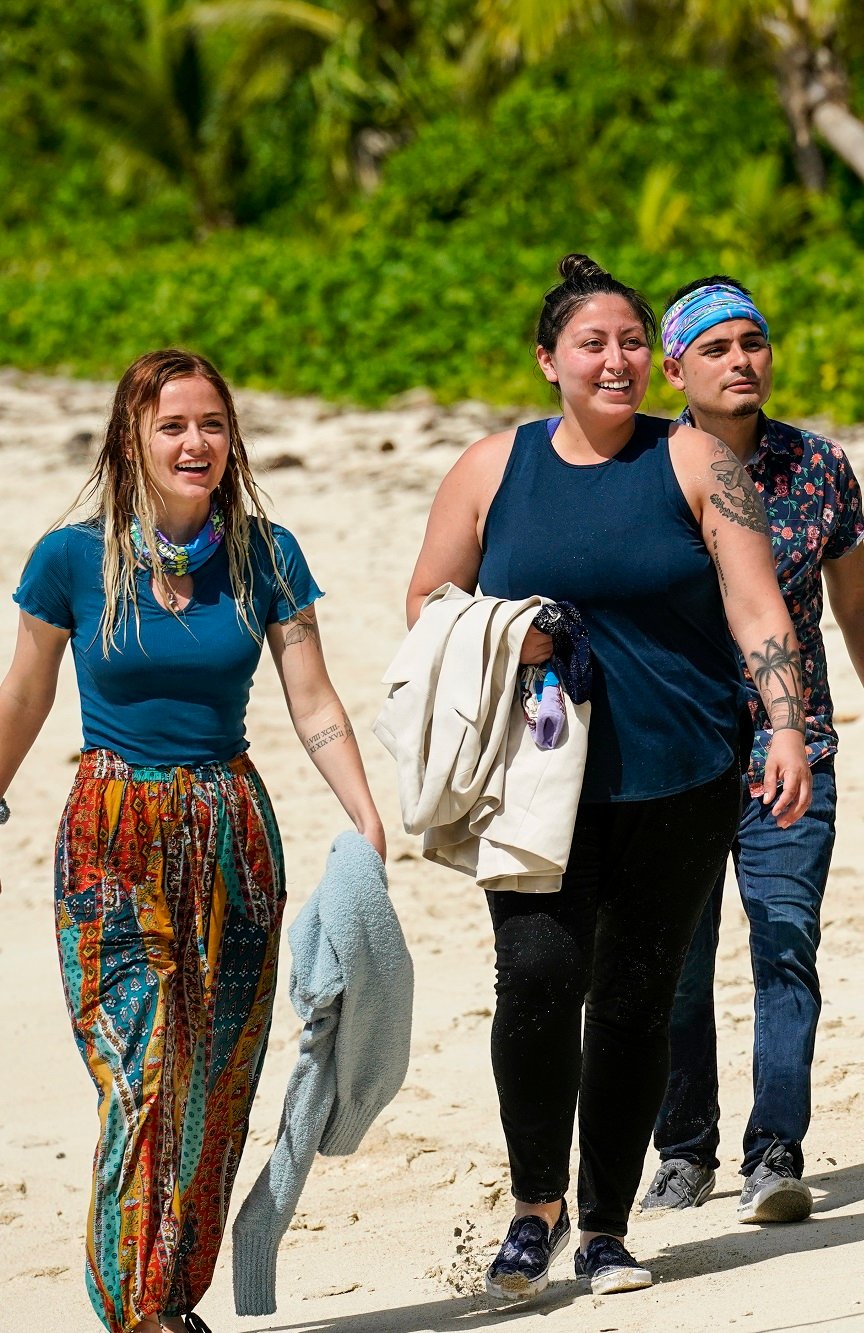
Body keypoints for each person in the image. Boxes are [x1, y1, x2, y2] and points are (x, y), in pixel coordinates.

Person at [404, 254, 813, 1299]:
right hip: (536, 781)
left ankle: (606, 1226)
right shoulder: (492, 466)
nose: (618, 360)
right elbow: (426, 604)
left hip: (680, 775)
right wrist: (514, 633)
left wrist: (786, 728)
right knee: (536, 986)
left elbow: (758, 606)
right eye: (594, 343)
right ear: (549, 360)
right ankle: (534, 1204)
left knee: (635, 1001)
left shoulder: (696, 463)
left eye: (633, 341)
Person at [0, 349, 386, 1333]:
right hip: (111, 836)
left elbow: (313, 702)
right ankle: (132, 1311)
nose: (194, 442)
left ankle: (172, 1301)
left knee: (216, 1086)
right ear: (130, 438)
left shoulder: (266, 555)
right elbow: (27, 692)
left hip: (230, 836)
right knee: (144, 1075)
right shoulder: (68, 559)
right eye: (171, 424)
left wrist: (364, 815)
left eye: (211, 423)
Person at [640, 276, 864, 1223]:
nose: (742, 361)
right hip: (673, 748)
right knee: (676, 954)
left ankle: (775, 1150)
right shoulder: (642, 469)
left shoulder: (817, 466)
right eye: (718, 348)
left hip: (793, 743)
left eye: (753, 343)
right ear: (675, 367)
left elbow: (856, 603)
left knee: (786, 938)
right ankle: (683, 1147)